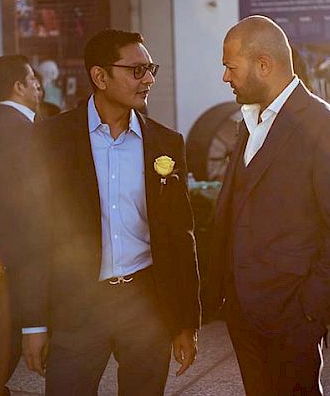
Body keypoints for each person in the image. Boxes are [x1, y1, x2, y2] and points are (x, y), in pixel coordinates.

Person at [21, 29, 201, 395]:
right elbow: (34, 236)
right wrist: (33, 324)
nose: (148, 79)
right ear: (100, 77)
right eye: (136, 70)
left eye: (150, 69)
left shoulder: (166, 143)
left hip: (147, 305)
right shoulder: (50, 140)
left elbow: (181, 236)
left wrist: (186, 322)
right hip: (78, 308)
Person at [206, 16, 330, 395]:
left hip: (291, 318)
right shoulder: (249, 121)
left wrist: (306, 308)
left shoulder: (329, 129)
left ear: (264, 64)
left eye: (231, 67)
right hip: (242, 314)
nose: (225, 78)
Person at [0, 55, 41, 396]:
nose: (38, 85)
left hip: (6, 237)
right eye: (32, 79)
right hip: (27, 240)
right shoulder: (22, 129)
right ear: (18, 86)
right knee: (25, 318)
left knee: (12, 321)